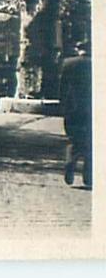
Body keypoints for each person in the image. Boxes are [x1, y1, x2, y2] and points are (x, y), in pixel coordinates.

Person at [59, 40, 92, 188]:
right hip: (91, 109)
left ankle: (70, 162)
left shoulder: (68, 63)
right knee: (91, 142)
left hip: (72, 109)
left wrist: (63, 106)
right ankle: (88, 176)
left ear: (78, 49)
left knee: (73, 139)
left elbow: (62, 88)